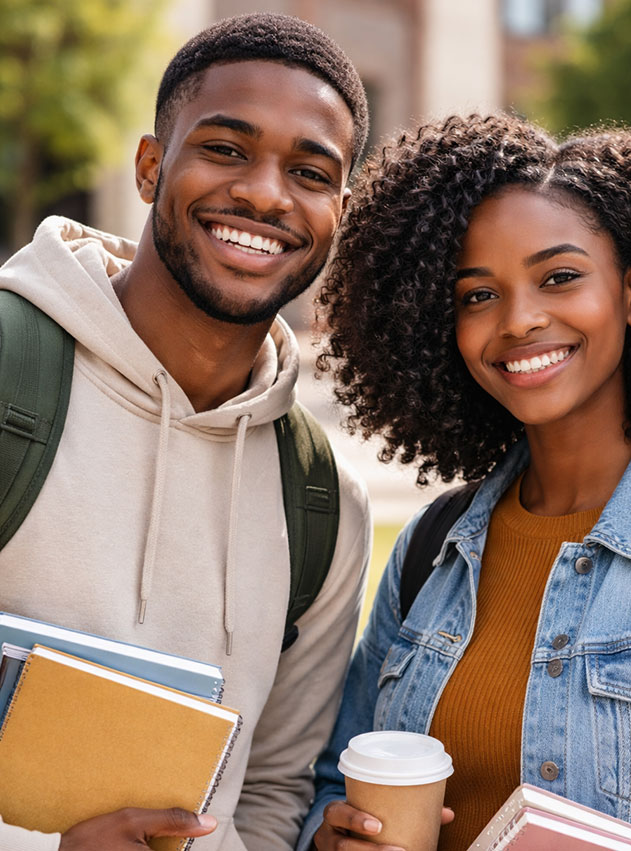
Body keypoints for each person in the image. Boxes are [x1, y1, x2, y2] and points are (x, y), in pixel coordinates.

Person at [297, 112, 631, 851]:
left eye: (559, 278)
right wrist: (333, 837)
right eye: (478, 295)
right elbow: (337, 781)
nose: (519, 320)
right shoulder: (432, 552)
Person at [0, 13, 371, 851]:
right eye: (226, 149)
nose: (266, 195)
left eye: (309, 172)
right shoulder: (9, 373)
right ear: (149, 166)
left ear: (338, 212)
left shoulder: (323, 503)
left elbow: (274, 785)